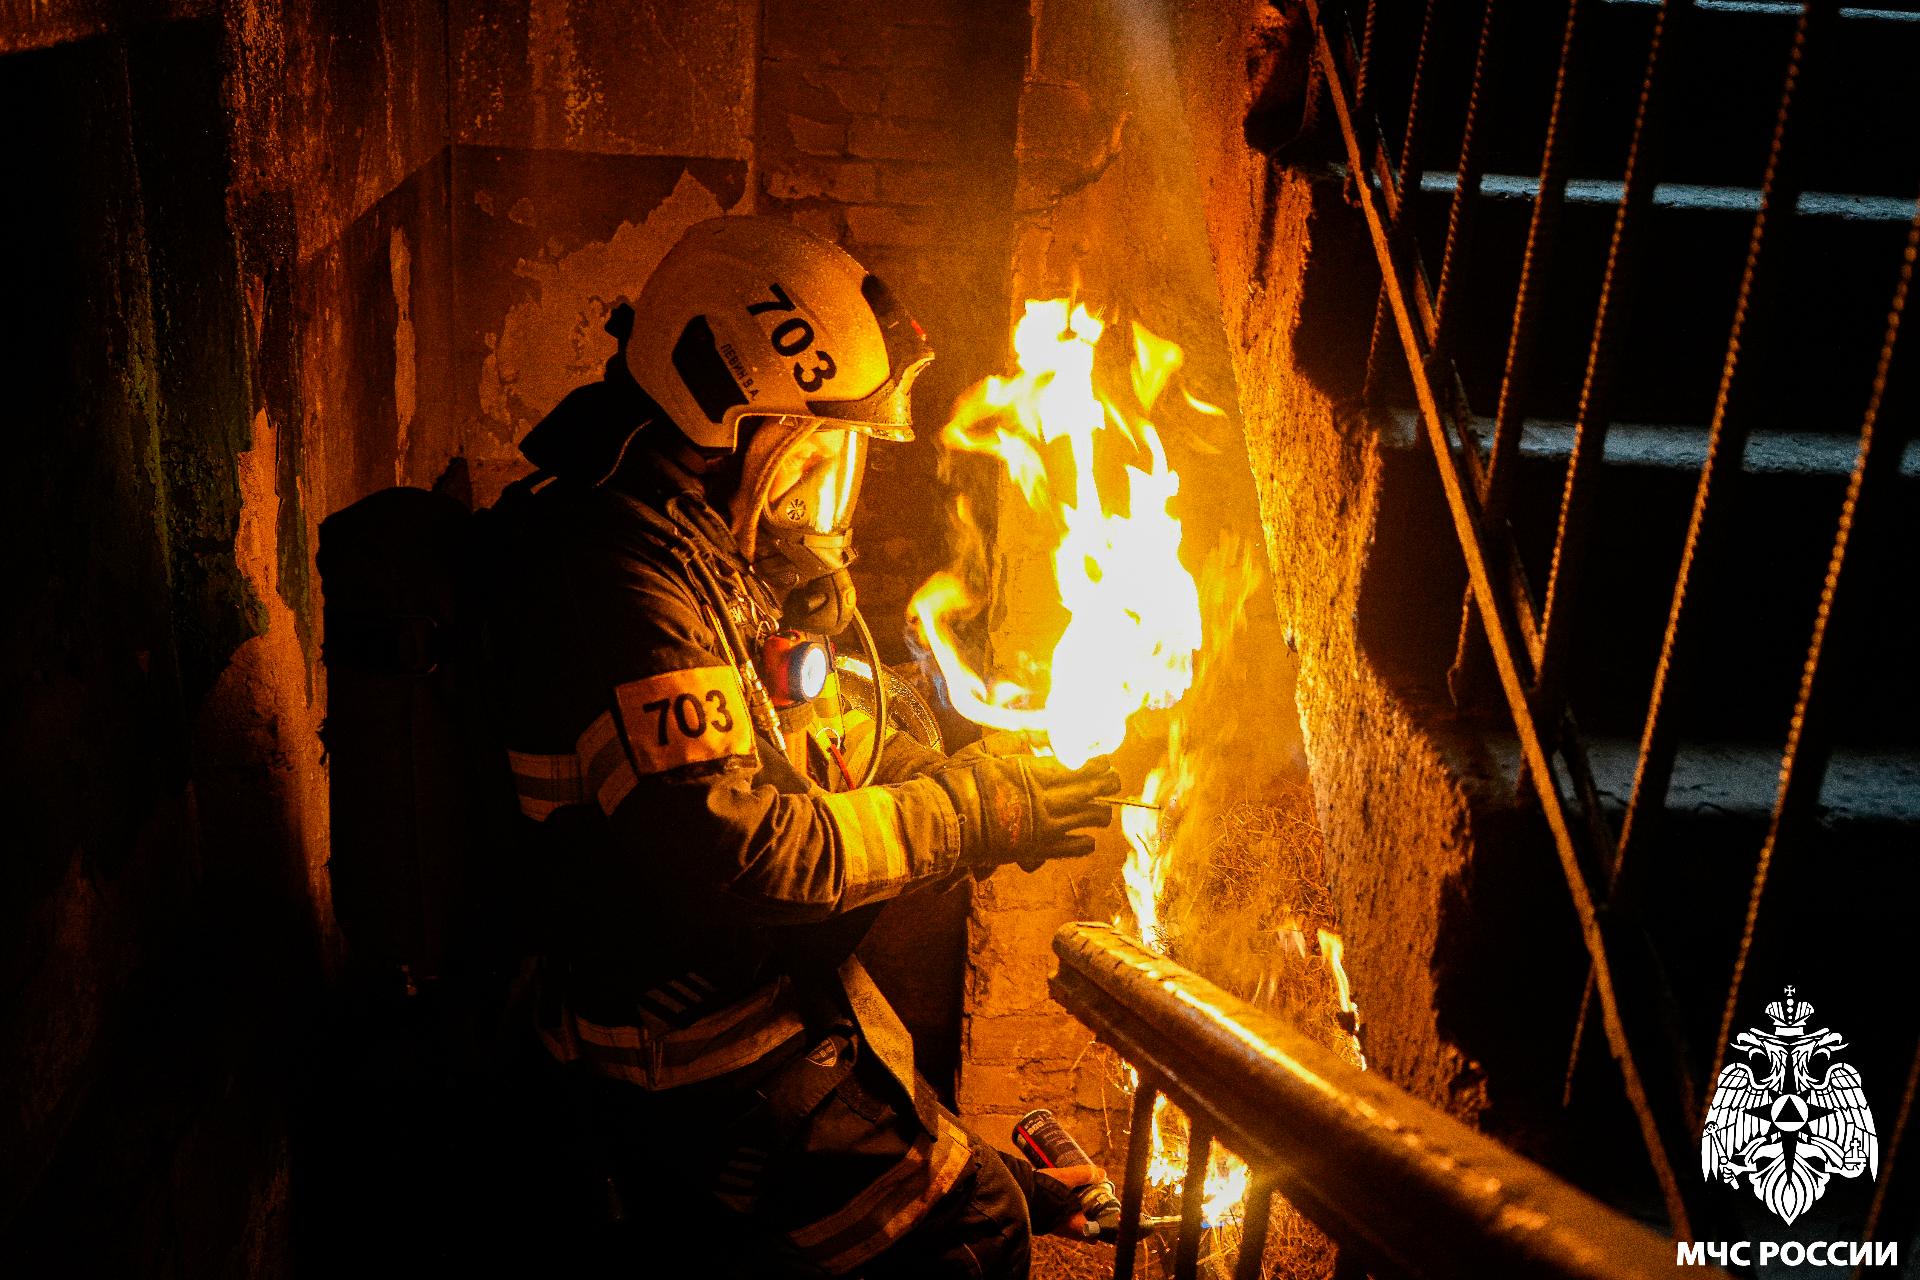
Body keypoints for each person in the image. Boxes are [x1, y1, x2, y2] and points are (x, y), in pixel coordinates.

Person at [483, 216, 1121, 1277]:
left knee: (978, 1170)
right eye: (813, 448)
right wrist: (970, 811)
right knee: (977, 1227)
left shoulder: (697, 538)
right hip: (671, 1056)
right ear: (728, 413)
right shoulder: (620, 579)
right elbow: (745, 847)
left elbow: (831, 740)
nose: (819, 487)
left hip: (752, 995)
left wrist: (987, 777)